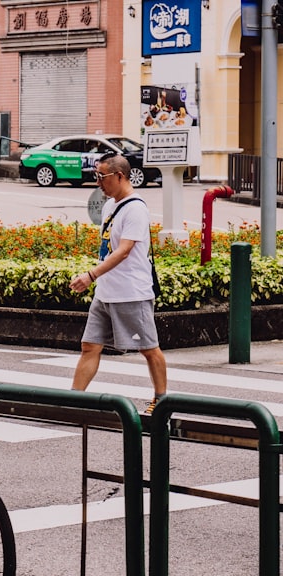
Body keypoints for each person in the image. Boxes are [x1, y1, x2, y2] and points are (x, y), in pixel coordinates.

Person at [69, 153, 167, 414]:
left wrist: (90, 276)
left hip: (131, 292)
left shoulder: (135, 209)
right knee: (89, 346)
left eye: (102, 177)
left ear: (119, 176)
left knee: (149, 348)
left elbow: (123, 251)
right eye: (96, 176)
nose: (98, 182)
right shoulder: (111, 205)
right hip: (106, 291)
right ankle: (73, 401)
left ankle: (162, 401)